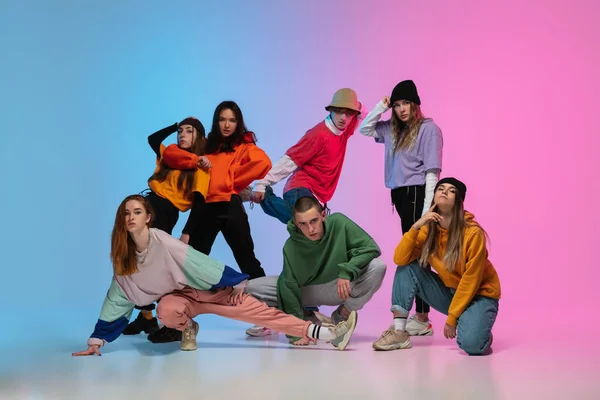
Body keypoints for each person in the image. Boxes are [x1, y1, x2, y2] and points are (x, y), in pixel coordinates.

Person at [71, 195, 358, 357]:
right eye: (125, 213)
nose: (130, 217)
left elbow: (199, 263)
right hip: (180, 299)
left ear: (148, 217)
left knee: (260, 313)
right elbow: (118, 296)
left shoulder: (164, 242)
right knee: (166, 311)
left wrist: (235, 282)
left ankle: (324, 332)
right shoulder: (124, 258)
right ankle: (189, 329)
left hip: (209, 291)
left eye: (137, 211)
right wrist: (97, 341)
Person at [371, 178, 501, 355]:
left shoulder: (472, 233)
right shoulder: (428, 229)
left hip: (480, 296)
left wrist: (453, 318)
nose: (444, 191)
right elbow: (400, 259)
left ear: (459, 201)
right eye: (440, 188)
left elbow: (471, 280)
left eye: (451, 190)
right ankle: (399, 332)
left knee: (471, 345)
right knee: (408, 268)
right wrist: (416, 226)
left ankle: (478, 329)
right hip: (450, 293)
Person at [359, 80, 443, 336]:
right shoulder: (393, 130)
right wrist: (380, 106)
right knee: (413, 252)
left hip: (418, 194)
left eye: (405, 103)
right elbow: (365, 129)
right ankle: (421, 316)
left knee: (416, 253)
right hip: (400, 195)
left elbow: (432, 171)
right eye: (396, 105)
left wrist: (428, 209)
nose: (401, 109)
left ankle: (421, 316)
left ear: (416, 103)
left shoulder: (429, 129)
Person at [245, 196, 386, 342]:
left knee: (377, 266)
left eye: (314, 221)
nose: (310, 229)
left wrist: (347, 271)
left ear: (323, 215)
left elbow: (370, 248)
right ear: (296, 224)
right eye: (303, 224)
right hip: (308, 291)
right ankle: (307, 319)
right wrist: (297, 332)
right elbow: (289, 288)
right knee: (251, 287)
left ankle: (342, 316)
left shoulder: (339, 223)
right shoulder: (291, 246)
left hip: (339, 288)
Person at [122, 117, 211, 341]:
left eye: (189, 131)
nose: (182, 135)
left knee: (156, 267)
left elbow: (199, 205)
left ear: (199, 137)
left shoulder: (200, 166)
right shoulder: (170, 155)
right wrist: (173, 126)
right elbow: (152, 139)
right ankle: (146, 317)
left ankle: (173, 323)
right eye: (180, 131)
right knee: (135, 262)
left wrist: (187, 232)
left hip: (165, 213)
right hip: (146, 206)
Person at [250, 88, 367, 224]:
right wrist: (262, 183)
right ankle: (263, 194)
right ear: (331, 110)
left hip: (319, 197)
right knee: (303, 221)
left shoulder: (345, 130)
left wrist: (359, 105)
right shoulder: (319, 134)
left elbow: (364, 115)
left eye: (348, 113)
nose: (343, 118)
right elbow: (290, 160)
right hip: (300, 188)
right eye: (339, 111)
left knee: (311, 233)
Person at [188, 101, 271, 280]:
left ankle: (271, 303)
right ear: (216, 121)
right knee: (192, 260)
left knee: (247, 261)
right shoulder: (206, 145)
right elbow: (182, 147)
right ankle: (182, 303)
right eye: (222, 120)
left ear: (238, 123)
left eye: (232, 120)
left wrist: (231, 180)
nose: (227, 125)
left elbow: (263, 163)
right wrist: (191, 123)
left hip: (229, 207)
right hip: (206, 207)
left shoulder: (244, 146)